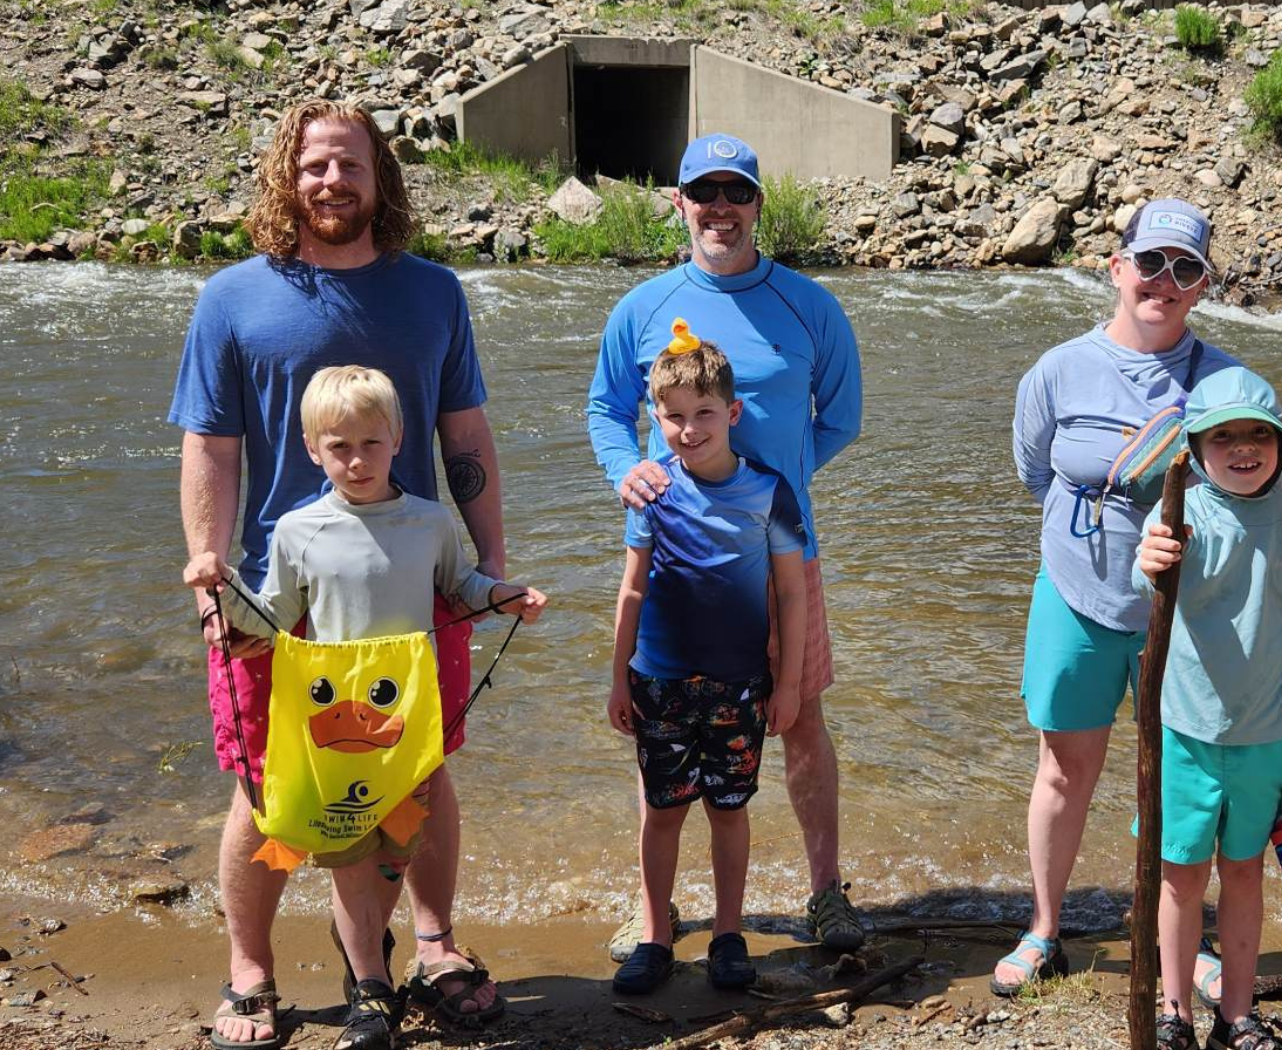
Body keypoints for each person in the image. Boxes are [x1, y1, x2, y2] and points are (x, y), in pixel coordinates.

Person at [170, 101, 507, 1049]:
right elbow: (211, 447)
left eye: (349, 165)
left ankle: (433, 945)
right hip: (275, 602)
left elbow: (465, 436)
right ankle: (251, 968)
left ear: (379, 178)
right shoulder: (231, 298)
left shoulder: (434, 293)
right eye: (315, 165)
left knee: (423, 774)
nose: (332, 181)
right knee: (271, 788)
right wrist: (211, 578)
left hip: (415, 586)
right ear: (291, 176)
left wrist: (490, 565)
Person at [184, 366, 545, 1050]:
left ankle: (382, 959)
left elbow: (460, 588)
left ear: (398, 438)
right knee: (348, 858)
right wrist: (220, 583)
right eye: (338, 445)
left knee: (395, 849)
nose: (356, 459)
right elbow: (272, 618)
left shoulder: (431, 523)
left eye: (371, 444)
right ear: (311, 447)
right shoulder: (298, 530)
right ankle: (372, 992)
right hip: (337, 729)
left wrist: (507, 597)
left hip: (405, 722)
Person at [587, 132, 865, 955]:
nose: (719, 208)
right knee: (659, 721)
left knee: (800, 714)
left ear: (756, 206)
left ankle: (825, 894)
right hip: (673, 557)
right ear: (679, 203)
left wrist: (771, 487)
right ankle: (655, 911)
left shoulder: (809, 303)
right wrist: (626, 471)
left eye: (735, 192)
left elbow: (840, 417)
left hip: (781, 554)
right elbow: (607, 410)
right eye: (702, 192)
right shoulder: (639, 307)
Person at [998, 199, 1244, 998]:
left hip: (1185, 615)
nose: (1163, 283)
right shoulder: (1058, 369)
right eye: (1151, 263)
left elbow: (1252, 498)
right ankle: (1044, 929)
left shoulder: (1226, 383)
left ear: (1202, 286)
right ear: (1117, 267)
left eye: (1185, 270)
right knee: (1065, 768)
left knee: (1181, 772)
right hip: (1073, 597)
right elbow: (1035, 470)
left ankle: (1181, 934)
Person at [604, 324, 807, 994]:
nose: (689, 430)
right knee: (662, 810)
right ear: (654, 418)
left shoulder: (770, 492)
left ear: (733, 414)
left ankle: (727, 933)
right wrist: (617, 678)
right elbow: (632, 589)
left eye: (704, 416)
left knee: (728, 808)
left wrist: (790, 684)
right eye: (673, 418)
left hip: (740, 686)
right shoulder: (650, 490)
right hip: (658, 682)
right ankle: (654, 935)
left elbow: (789, 591)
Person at [1132, 367, 1282, 1050]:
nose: (1243, 448)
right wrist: (1149, 557)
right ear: (1195, 446)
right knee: (1181, 878)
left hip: (1267, 743)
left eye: (1258, 435)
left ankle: (1237, 1013)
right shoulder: (1179, 519)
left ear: (1281, 444)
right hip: (1183, 738)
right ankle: (1175, 1010)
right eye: (1225, 437)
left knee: (1244, 873)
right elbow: (1150, 572)